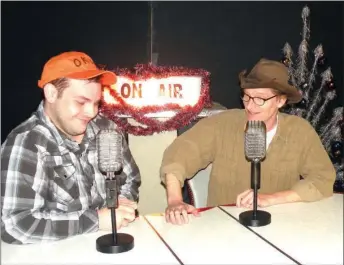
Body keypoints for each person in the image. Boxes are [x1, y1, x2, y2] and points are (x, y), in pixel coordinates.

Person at [160, 58, 336, 225]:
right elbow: (179, 154)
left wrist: (271, 199)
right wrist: (175, 200)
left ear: (280, 101)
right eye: (247, 97)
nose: (250, 106)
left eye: (260, 99)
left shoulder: (299, 131)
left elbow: (322, 179)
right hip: (223, 227)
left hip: (281, 227)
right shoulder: (222, 124)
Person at [1, 51, 141, 244]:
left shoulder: (107, 129)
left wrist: (122, 205)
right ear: (51, 93)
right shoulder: (26, 143)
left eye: (96, 103)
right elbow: (15, 225)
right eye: (81, 102)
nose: (91, 112)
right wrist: (97, 220)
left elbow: (131, 178)